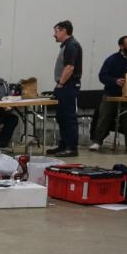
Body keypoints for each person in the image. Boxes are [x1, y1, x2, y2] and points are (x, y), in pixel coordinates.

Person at [92, 35, 127, 153]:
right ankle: (97, 142)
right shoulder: (111, 59)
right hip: (112, 94)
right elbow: (102, 76)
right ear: (121, 46)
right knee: (104, 116)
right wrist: (115, 81)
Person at [47, 20, 82, 157]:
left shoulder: (72, 45)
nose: (54, 35)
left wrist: (61, 84)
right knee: (61, 117)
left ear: (64, 31)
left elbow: (70, 67)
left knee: (68, 117)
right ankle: (63, 145)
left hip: (69, 85)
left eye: (56, 31)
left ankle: (72, 147)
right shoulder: (66, 45)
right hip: (64, 85)